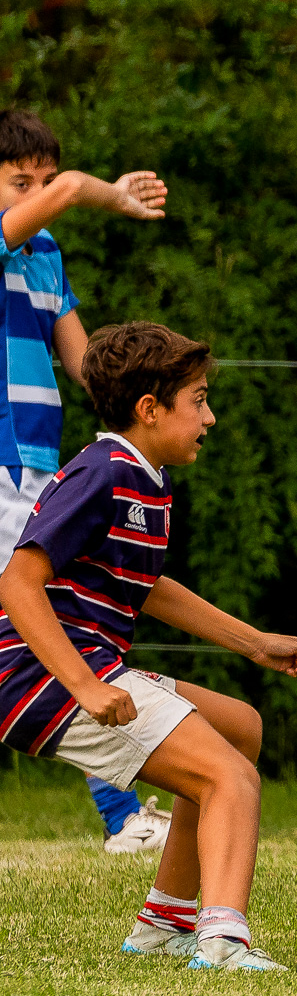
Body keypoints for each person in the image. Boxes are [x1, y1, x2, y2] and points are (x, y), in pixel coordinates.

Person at [0, 321, 297, 971]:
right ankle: (223, 941)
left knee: (237, 731)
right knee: (230, 777)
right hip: (39, 674)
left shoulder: (146, 479)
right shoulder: (102, 472)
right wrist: (84, 687)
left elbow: (147, 587)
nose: (211, 416)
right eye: (198, 399)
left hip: (78, 668)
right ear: (150, 409)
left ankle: (163, 922)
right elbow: (18, 582)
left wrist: (253, 644)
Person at [0, 110, 176, 854]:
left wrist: (159, 390)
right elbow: (73, 187)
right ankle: (121, 814)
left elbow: (85, 365)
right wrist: (95, 191)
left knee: (62, 619)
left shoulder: (44, 254)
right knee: (54, 618)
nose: (36, 194)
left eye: (42, 180)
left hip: (37, 461)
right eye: (19, 183)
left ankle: (122, 812)